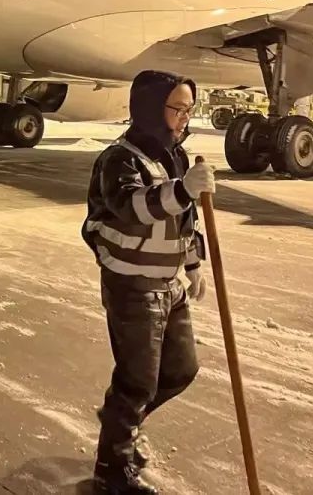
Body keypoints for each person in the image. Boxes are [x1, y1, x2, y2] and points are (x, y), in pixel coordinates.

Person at [81, 70, 215, 495]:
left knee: (181, 370)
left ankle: (123, 422)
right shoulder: (120, 160)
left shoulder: (175, 156)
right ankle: (112, 470)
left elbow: (184, 219)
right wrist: (183, 190)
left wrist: (192, 264)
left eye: (189, 110)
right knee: (137, 381)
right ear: (151, 109)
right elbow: (132, 208)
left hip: (168, 283)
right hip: (131, 284)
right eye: (177, 109)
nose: (184, 118)